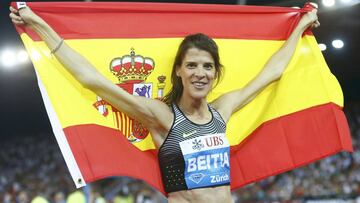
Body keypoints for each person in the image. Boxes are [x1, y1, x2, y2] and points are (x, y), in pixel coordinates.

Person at [10, 3, 319, 203]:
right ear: (179, 72)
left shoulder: (221, 110)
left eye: (207, 67)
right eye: (193, 65)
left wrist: (300, 25)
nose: (200, 73)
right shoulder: (162, 115)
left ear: (216, 73)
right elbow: (94, 80)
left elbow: (273, 72)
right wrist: (39, 25)